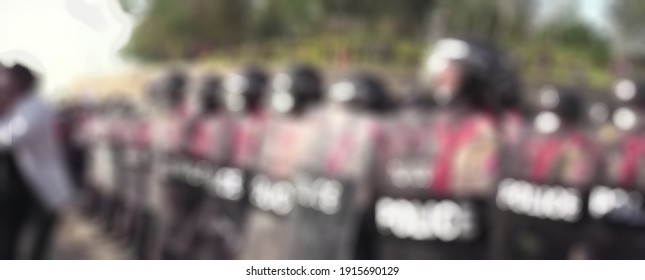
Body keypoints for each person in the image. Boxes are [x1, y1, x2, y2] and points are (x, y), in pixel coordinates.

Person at [0, 63, 74, 259]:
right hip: (23, 189)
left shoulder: (34, 106)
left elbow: (12, 137)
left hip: (39, 190)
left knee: (34, 248)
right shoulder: (18, 106)